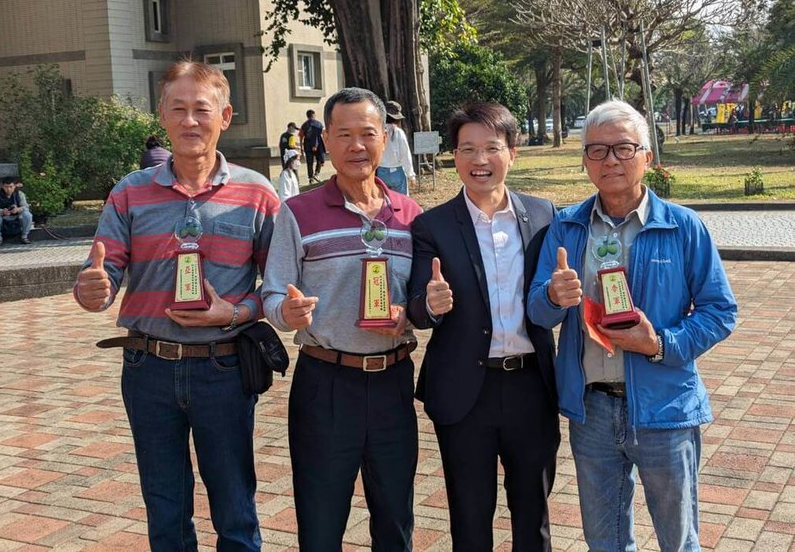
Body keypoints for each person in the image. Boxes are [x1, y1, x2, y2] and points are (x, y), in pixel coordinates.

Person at [73, 60, 278, 551]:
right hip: (149, 368)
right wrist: (93, 288)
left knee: (235, 504)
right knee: (164, 504)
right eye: (178, 109)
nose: (190, 121)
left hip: (224, 368)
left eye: (201, 109)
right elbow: (103, 273)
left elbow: (278, 286)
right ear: (161, 115)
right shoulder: (129, 192)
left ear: (225, 116)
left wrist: (233, 313)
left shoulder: (258, 193)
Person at [528, 99, 738, 552]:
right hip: (593, 411)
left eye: (623, 148)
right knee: (604, 540)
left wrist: (660, 343)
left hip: (665, 409)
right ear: (584, 161)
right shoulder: (566, 228)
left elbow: (720, 311)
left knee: (678, 538)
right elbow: (537, 314)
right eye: (597, 150)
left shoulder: (683, 227)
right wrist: (551, 296)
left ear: (647, 155)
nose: (611, 161)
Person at [262, 87, 422, 551]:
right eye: (344, 134)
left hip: (393, 382)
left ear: (386, 137)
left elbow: (419, 298)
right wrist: (284, 311)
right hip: (325, 382)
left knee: (395, 519)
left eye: (368, 134)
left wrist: (411, 313)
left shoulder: (409, 215)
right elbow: (273, 290)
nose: (357, 146)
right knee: (321, 519)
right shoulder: (297, 212)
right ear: (326, 141)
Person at [407, 102, 559, 551]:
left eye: (491, 148)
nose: (479, 160)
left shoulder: (545, 216)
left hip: (531, 386)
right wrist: (430, 305)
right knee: (470, 518)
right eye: (467, 149)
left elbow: (556, 296)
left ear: (513, 151)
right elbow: (417, 310)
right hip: (463, 391)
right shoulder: (431, 226)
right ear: (453, 156)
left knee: (533, 516)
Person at [376, 100, 416, 195]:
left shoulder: (377, 131)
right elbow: (405, 154)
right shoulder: (398, 132)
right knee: (401, 201)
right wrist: (411, 175)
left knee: (384, 201)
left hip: (381, 172)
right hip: (397, 172)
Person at [0, 177, 33, 245]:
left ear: (14, 186)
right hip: (2, 217)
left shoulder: (20, 194)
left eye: (11, 186)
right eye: (6, 187)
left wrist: (18, 209)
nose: (8, 189)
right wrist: (2, 211)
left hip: (17, 216)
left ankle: (24, 236)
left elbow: (25, 206)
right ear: (2, 186)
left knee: (28, 215)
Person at [299, 109, 327, 183]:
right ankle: (317, 173)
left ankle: (311, 177)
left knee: (309, 162)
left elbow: (301, 137)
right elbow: (323, 134)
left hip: (307, 144)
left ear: (307, 116)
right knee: (320, 159)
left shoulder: (304, 125)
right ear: (314, 115)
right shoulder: (318, 124)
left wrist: (301, 149)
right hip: (318, 144)